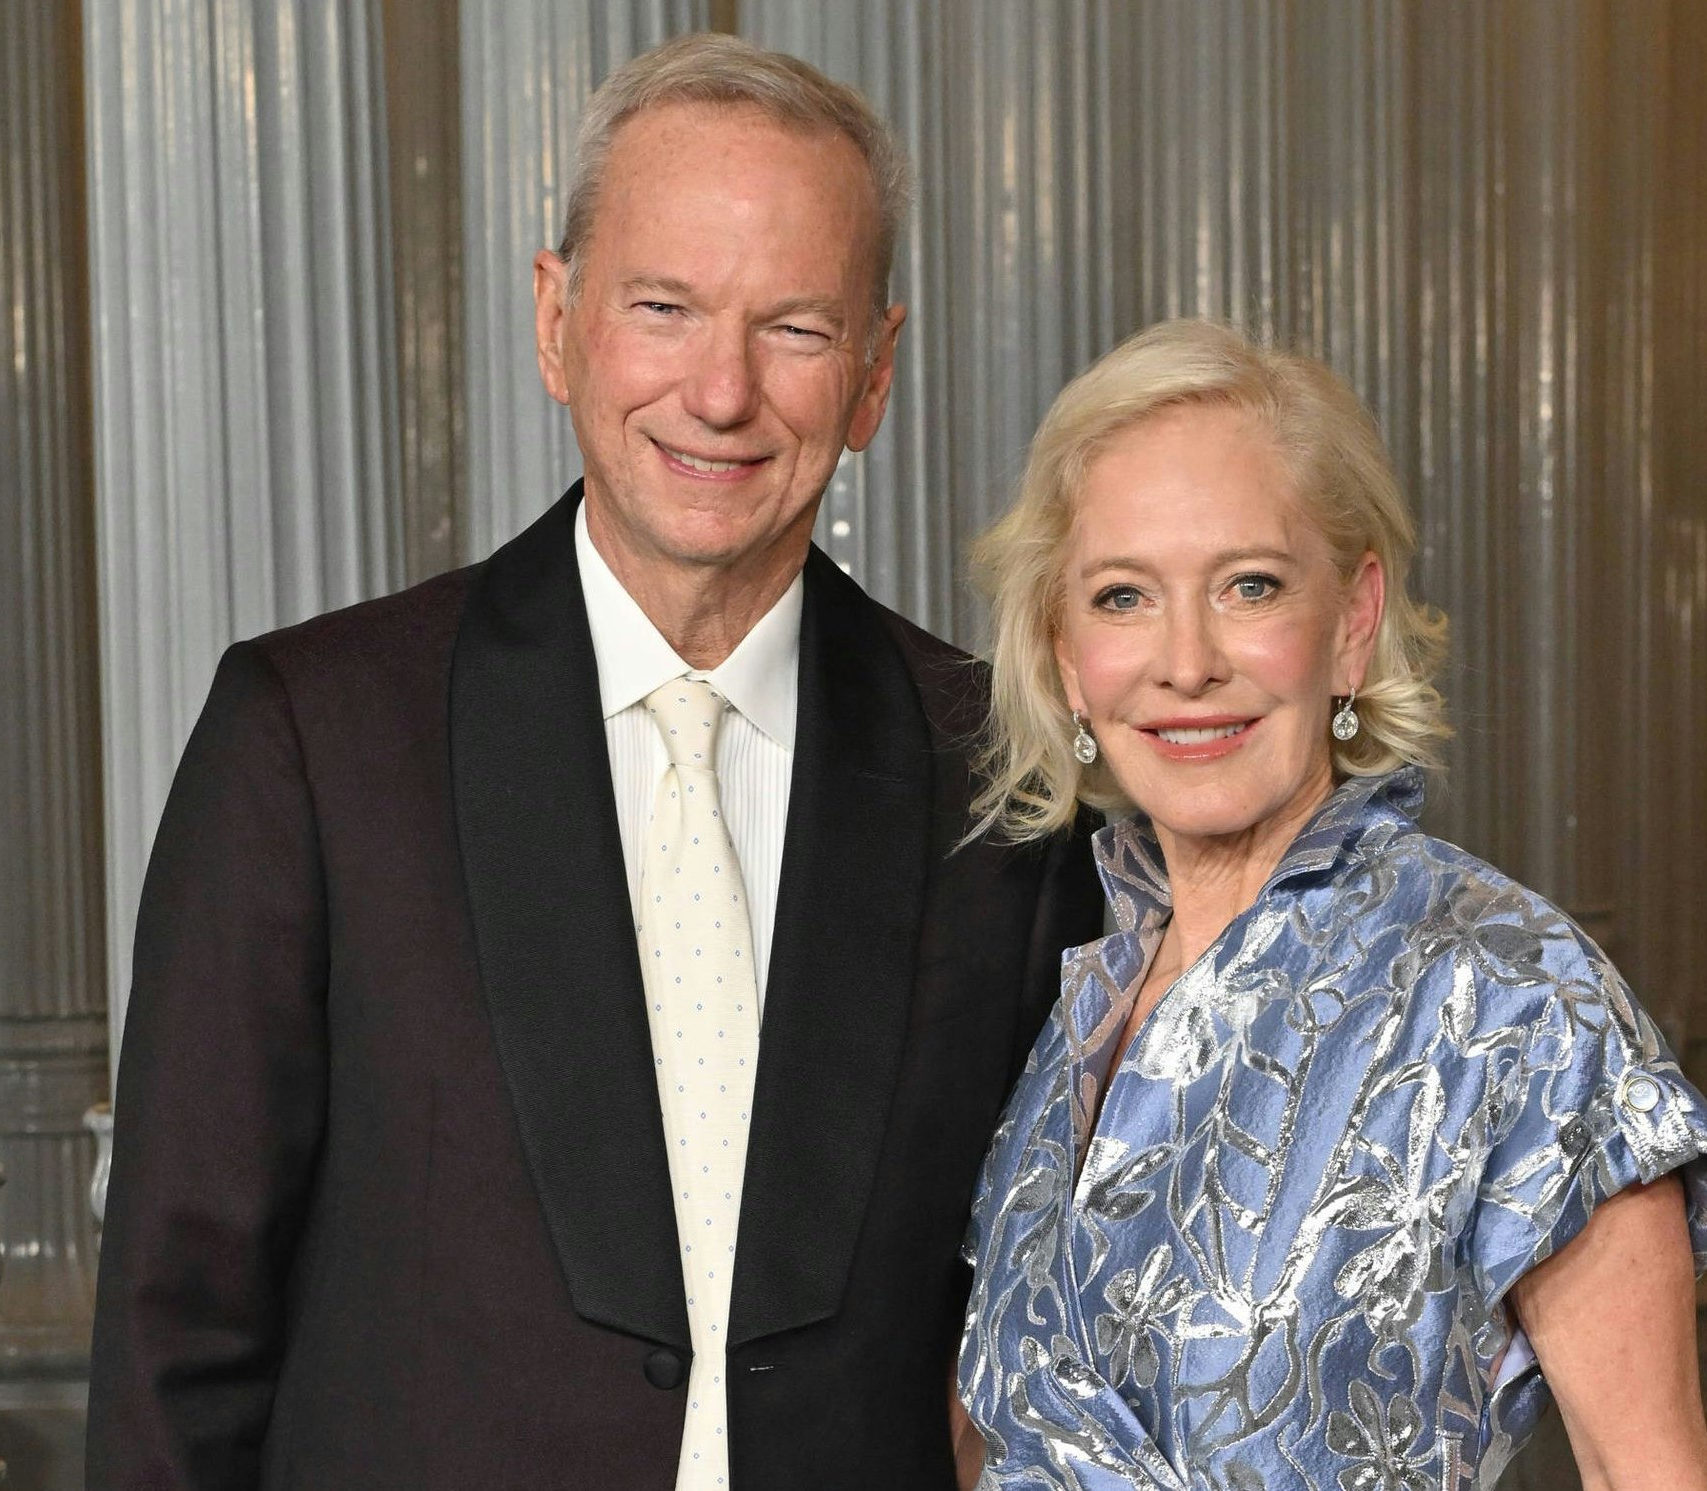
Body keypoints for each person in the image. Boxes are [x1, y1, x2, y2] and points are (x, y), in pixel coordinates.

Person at [88, 35, 1102, 1491]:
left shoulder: (998, 774)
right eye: (664, 307)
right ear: (557, 320)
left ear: (874, 374)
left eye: (795, 330)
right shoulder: (311, 737)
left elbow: (1035, 1319)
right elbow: (174, 1324)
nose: (720, 390)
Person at [956, 319, 1707, 1490]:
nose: (1185, 661)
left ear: (1352, 621)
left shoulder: (1511, 998)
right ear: (1067, 657)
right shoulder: (1067, 981)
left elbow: (1650, 1473)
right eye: (1122, 597)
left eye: (1249, 586)